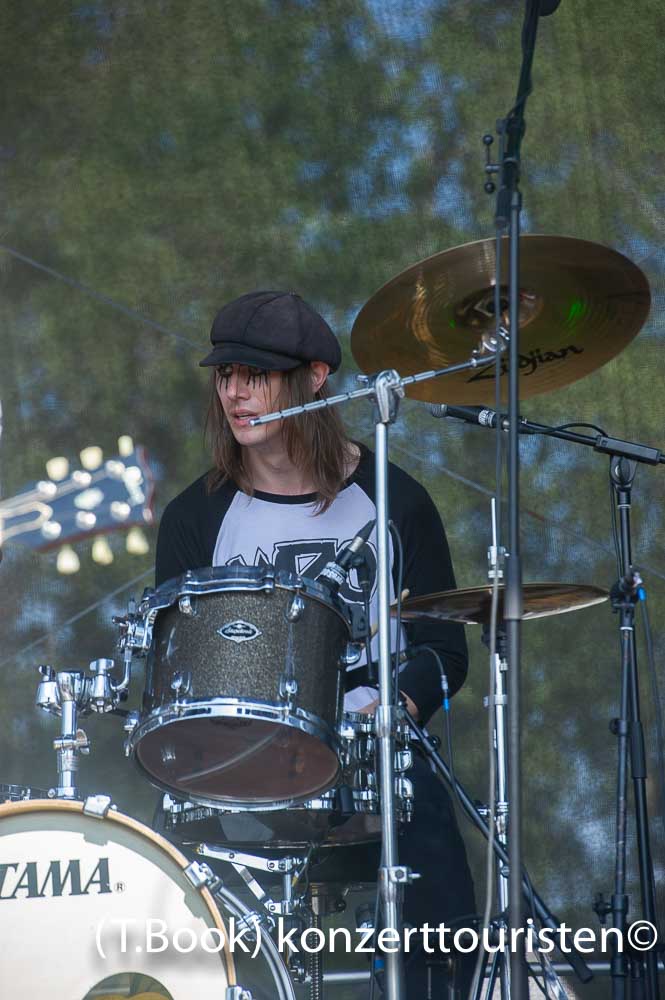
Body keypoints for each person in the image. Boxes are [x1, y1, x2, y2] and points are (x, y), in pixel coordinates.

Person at [155, 290, 476, 996]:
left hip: (374, 761)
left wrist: (386, 719)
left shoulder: (395, 500)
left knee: (442, 908)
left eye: (256, 375)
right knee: (164, 893)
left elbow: (444, 654)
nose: (234, 393)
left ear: (316, 378)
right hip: (238, 770)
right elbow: (170, 674)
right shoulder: (193, 517)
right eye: (225, 375)